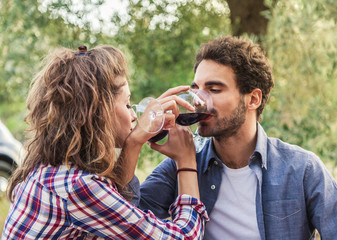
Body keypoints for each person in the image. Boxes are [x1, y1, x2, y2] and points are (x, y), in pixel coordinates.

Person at [139, 36, 337, 239]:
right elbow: (122, 218)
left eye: (214, 89)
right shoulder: (183, 164)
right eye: (196, 90)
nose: (198, 101)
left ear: (253, 99)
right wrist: (140, 136)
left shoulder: (302, 168)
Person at [2, 45, 209, 239]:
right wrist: (186, 160)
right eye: (127, 104)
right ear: (98, 112)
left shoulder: (53, 169)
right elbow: (183, 237)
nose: (135, 116)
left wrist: (135, 141)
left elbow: (119, 207)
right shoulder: (78, 187)